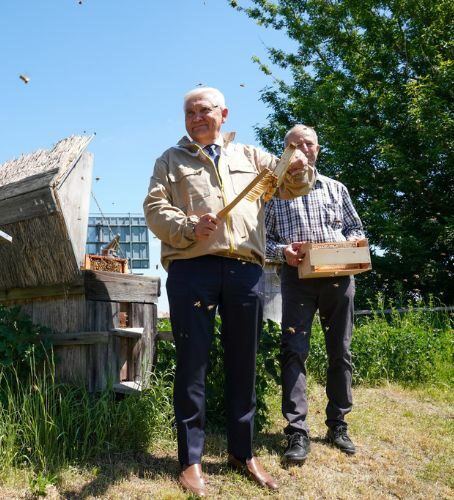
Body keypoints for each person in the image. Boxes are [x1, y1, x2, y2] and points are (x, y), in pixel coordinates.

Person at [144, 88, 315, 496]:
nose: (197, 117)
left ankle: (244, 452)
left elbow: (291, 187)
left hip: (245, 270)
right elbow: (154, 209)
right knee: (192, 365)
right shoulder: (170, 160)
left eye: (204, 111)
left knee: (244, 362)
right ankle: (191, 461)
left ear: (223, 113)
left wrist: (298, 167)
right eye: (189, 112)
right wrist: (188, 227)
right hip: (191, 268)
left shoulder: (250, 157)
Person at [265, 124, 366, 463]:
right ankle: (296, 431)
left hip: (340, 277)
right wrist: (284, 253)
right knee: (294, 350)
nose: (301, 149)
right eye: (293, 144)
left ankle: (338, 424)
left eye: (307, 143)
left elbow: (356, 229)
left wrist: (348, 245)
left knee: (341, 350)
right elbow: (261, 243)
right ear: (285, 152)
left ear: (317, 149)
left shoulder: (336, 188)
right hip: (297, 279)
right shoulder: (273, 192)